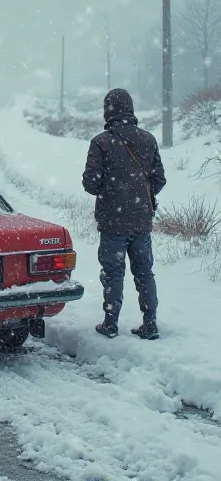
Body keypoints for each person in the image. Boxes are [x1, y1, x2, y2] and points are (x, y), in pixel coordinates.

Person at [82, 88, 166, 340]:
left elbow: (90, 184)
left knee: (113, 272)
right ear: (130, 109)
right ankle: (150, 323)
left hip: (112, 222)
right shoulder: (148, 140)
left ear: (108, 110)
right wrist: (140, 195)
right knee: (144, 272)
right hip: (141, 220)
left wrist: (113, 191)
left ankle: (110, 323)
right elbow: (159, 179)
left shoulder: (101, 142)